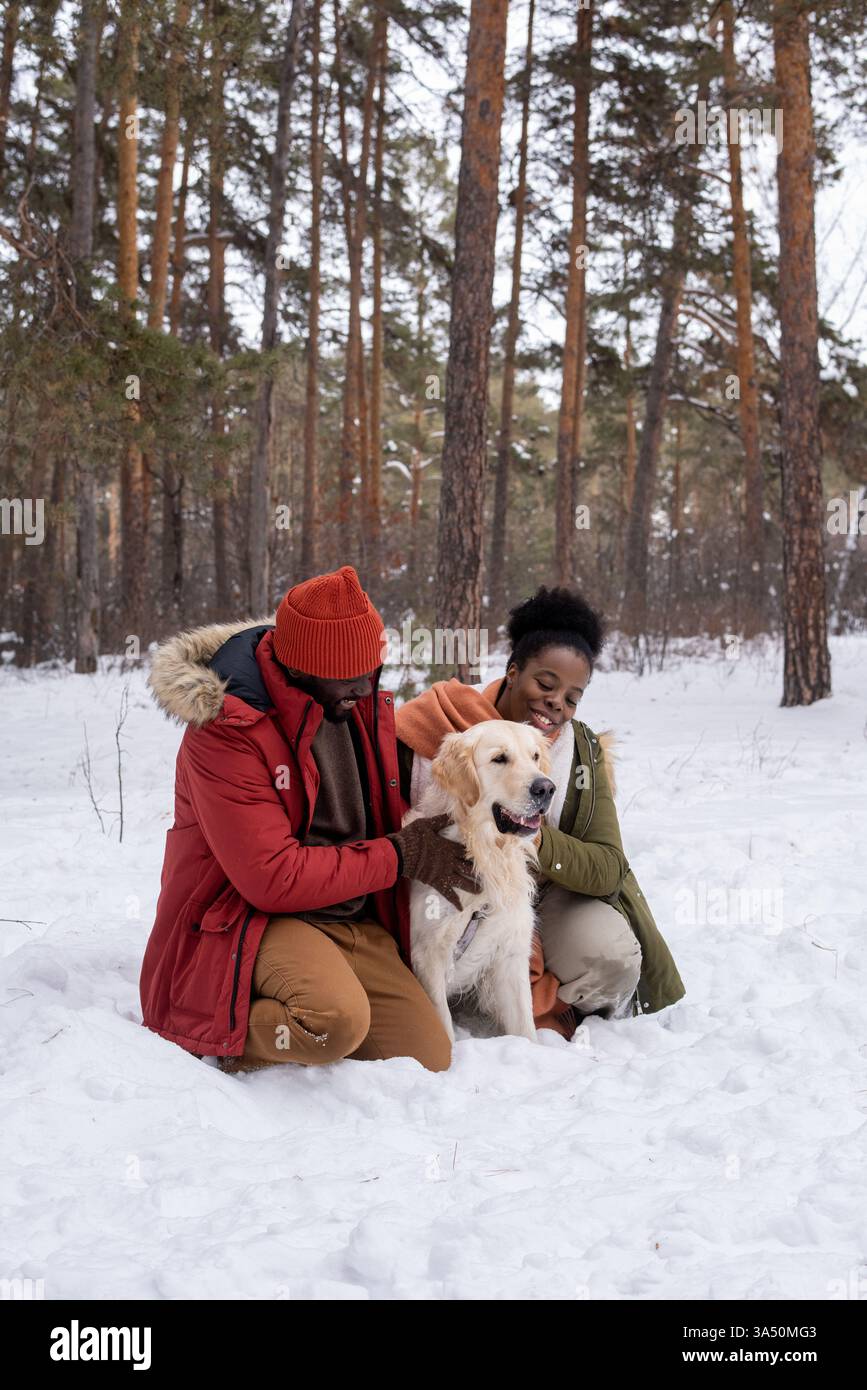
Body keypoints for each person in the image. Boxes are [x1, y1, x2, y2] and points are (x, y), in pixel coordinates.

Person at [140, 566, 478, 1074]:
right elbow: (271, 880)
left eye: (371, 670)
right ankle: (209, 1024)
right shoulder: (228, 732)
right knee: (332, 1022)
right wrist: (400, 854)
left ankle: (319, 987)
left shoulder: (351, 698)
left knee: (427, 1055)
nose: (365, 689)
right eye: (349, 676)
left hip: (347, 914)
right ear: (299, 667)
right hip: (248, 920)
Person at [395, 585, 685, 1040]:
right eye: (545, 684)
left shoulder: (581, 751)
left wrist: (529, 835)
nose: (556, 704)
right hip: (444, 877)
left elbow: (609, 868)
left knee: (609, 954)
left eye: (572, 697)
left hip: (545, 891)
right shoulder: (434, 725)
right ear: (513, 671)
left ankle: (546, 1007)